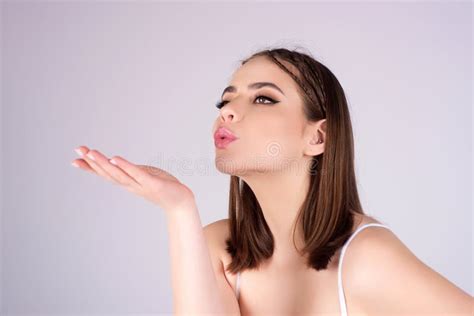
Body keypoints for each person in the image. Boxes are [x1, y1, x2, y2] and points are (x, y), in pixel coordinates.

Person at [71, 47, 472, 315]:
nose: (227, 112)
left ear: (317, 137)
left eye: (263, 98)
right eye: (225, 100)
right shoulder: (217, 247)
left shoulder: (365, 256)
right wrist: (179, 209)